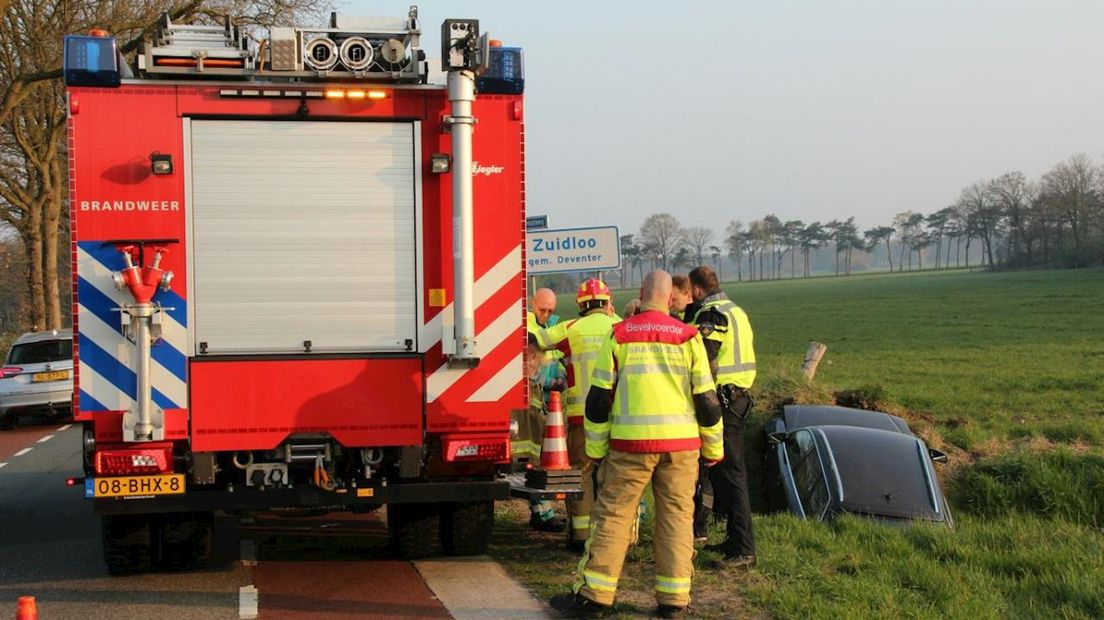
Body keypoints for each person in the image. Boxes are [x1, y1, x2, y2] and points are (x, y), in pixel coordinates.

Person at [550, 270, 724, 619]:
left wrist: (597, 450)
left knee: (613, 517)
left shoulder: (619, 335)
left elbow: (598, 401)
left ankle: (595, 596)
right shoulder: (689, 338)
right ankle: (674, 601)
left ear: (643, 293)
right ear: (670, 297)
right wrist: (714, 448)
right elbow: (707, 401)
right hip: (681, 448)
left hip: (630, 447)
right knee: (676, 518)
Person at [534, 278, 619, 549]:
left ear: (580, 305)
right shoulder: (621, 327)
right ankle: (614, 538)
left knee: (582, 473)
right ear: (607, 303)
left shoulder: (571, 328)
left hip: (582, 417)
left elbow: (538, 339)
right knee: (614, 475)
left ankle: (582, 536)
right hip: (618, 417)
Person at [687, 265, 757, 566]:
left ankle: (744, 549)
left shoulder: (711, 314)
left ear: (697, 290)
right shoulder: (736, 310)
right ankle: (733, 541)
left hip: (724, 401)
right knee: (725, 474)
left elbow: (707, 361)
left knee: (731, 476)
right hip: (739, 397)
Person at [511, 334, 566, 532]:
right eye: (530, 357)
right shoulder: (520, 385)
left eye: (536, 357)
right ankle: (543, 515)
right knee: (535, 476)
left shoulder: (532, 383)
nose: (534, 363)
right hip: (522, 454)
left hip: (529, 453)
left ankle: (543, 514)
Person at [527, 287, 566, 402]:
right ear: (533, 304)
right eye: (542, 310)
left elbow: (558, 359)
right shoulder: (525, 326)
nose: (546, 314)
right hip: (533, 396)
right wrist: (550, 382)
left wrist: (560, 377)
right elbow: (526, 369)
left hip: (550, 398)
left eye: (550, 311)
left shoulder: (553, 327)